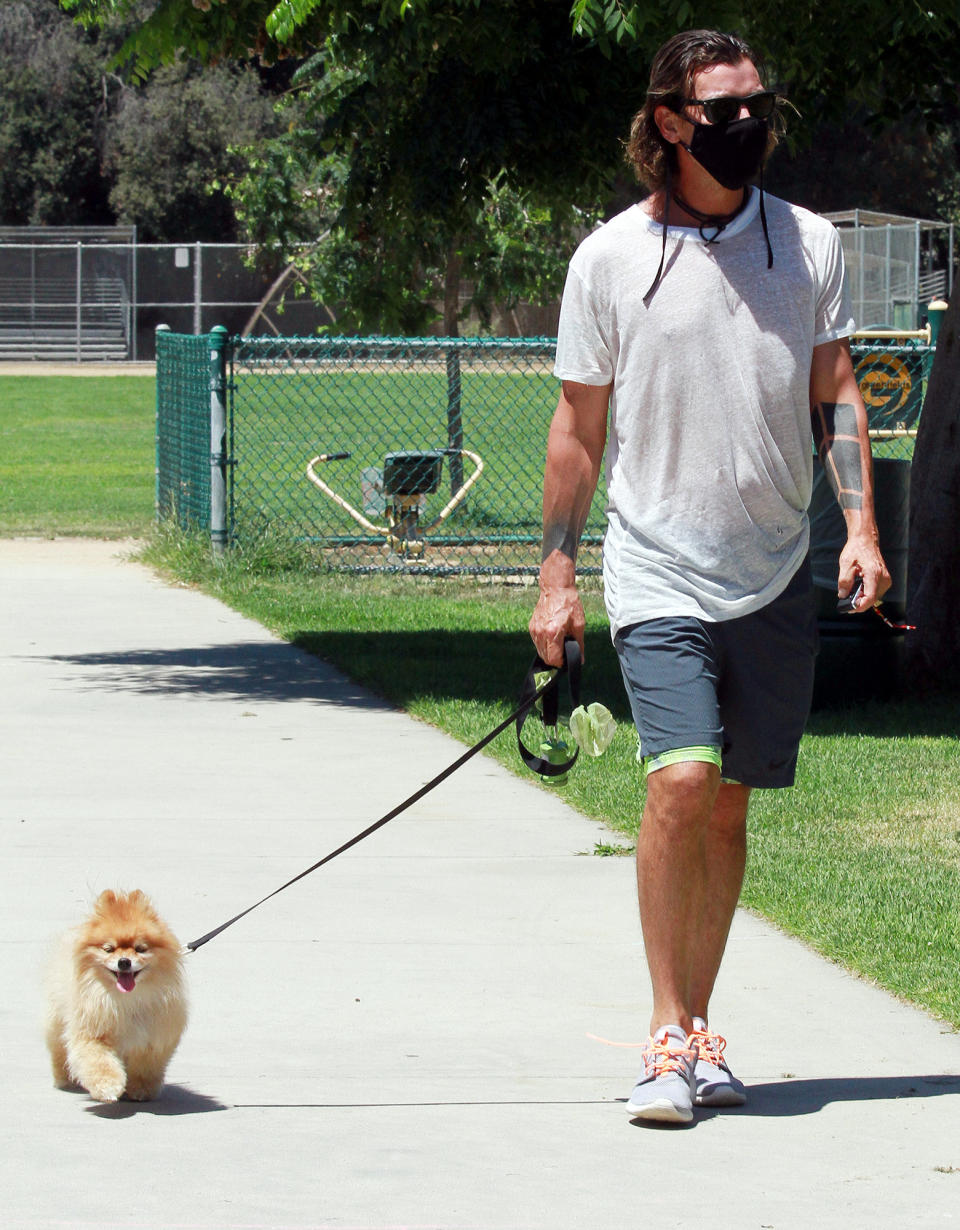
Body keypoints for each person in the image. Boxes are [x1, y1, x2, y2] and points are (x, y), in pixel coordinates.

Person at [528, 28, 891, 1124]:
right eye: (725, 109)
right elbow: (577, 430)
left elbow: (836, 390)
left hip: (775, 564)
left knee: (729, 808)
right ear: (671, 122)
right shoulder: (610, 258)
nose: (750, 126)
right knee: (680, 780)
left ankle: (700, 1033)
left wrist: (862, 529)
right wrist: (555, 570)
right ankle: (661, 1036)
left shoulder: (808, 243)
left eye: (758, 105)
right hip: (657, 563)